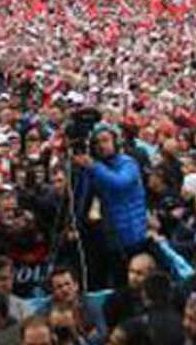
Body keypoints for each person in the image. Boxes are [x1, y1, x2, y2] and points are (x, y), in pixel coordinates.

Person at [73, 123, 148, 289]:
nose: (102, 145)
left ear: (115, 141)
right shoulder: (96, 166)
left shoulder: (128, 163)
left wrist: (93, 166)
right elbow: (84, 195)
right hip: (109, 235)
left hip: (131, 235)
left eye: (106, 140)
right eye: (97, 142)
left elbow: (119, 183)